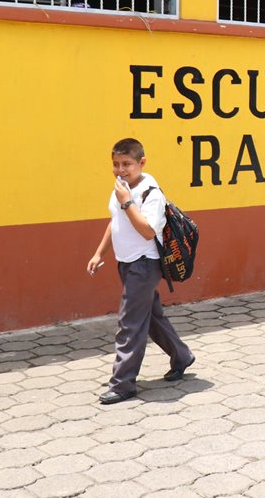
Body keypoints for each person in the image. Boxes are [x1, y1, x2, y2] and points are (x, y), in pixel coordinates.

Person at [87, 138, 195, 405]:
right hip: (126, 263)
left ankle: (123, 384)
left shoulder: (150, 193)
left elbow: (148, 230)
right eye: (115, 164)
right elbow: (115, 223)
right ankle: (181, 356)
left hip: (144, 264)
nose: (121, 170)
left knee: (130, 324)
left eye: (127, 164)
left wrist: (127, 202)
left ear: (142, 162)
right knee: (152, 317)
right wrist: (100, 252)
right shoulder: (122, 189)